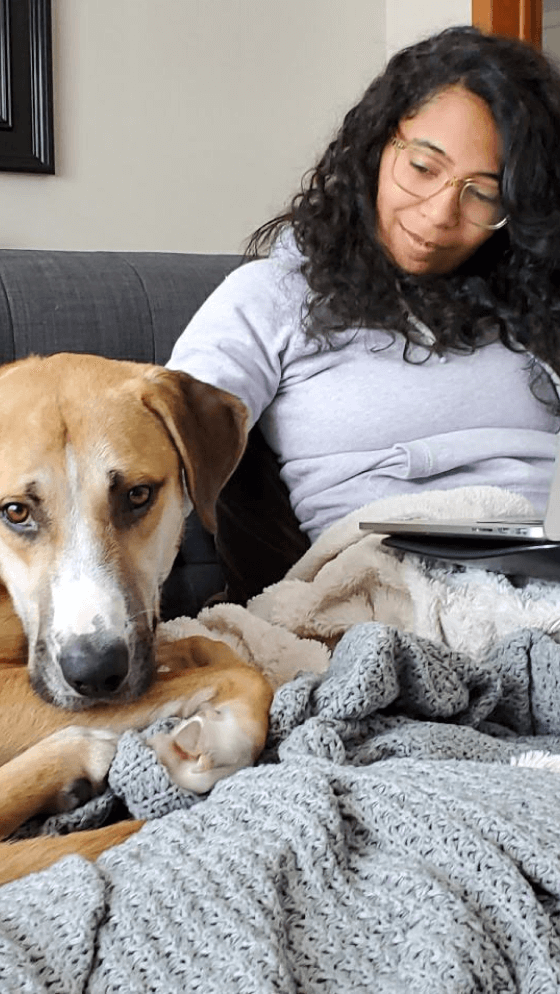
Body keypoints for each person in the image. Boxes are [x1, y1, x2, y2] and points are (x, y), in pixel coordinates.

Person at [167, 25, 560, 604]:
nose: (440, 214)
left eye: (482, 194)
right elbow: (165, 437)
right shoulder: (274, 297)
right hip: (393, 591)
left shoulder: (533, 310)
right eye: (423, 168)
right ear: (377, 145)